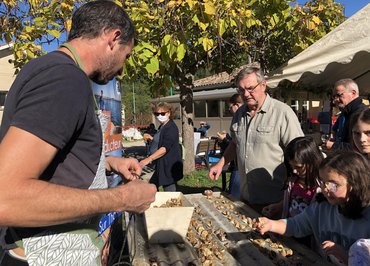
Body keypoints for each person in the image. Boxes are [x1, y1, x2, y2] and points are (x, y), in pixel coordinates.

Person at [0, 1, 157, 265]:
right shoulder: (64, 79)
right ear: (113, 38)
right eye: (125, 56)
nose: (122, 68)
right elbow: (5, 198)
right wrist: (121, 198)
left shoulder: (50, 71)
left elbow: (54, 158)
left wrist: (108, 164)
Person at [209, 66, 303, 213]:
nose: (246, 94)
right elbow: (235, 143)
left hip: (275, 201)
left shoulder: (282, 113)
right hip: (246, 198)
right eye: (241, 90)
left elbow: (300, 153)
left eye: (250, 88)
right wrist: (221, 164)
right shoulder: (239, 114)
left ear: (263, 85)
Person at [255, 151, 370, 265]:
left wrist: (346, 257)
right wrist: (271, 224)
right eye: (323, 182)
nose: (326, 189)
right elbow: (296, 225)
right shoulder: (321, 208)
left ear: (354, 184)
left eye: (333, 185)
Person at [262, 136, 323, 219]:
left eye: (299, 167)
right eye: (291, 167)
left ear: (312, 162)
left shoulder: (322, 187)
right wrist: (279, 206)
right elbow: (293, 201)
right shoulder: (293, 181)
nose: (294, 171)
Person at [140, 102, 183, 191]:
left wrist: (148, 159)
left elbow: (164, 148)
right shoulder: (162, 126)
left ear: (169, 113)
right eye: (157, 114)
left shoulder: (170, 128)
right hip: (161, 165)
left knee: (169, 191)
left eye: (162, 113)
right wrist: (152, 139)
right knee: (152, 187)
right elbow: (161, 141)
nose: (159, 116)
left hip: (168, 166)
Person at [216, 93, 243, 199]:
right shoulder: (236, 119)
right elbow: (235, 143)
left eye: (230, 107)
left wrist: (224, 140)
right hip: (237, 164)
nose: (230, 110)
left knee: (233, 198)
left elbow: (239, 145)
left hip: (240, 168)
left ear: (236, 105)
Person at [329, 78, 367, 149]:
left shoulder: (362, 114)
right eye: (334, 97)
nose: (335, 100)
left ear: (353, 93)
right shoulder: (346, 112)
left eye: (339, 95)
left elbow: (360, 147)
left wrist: (334, 145)